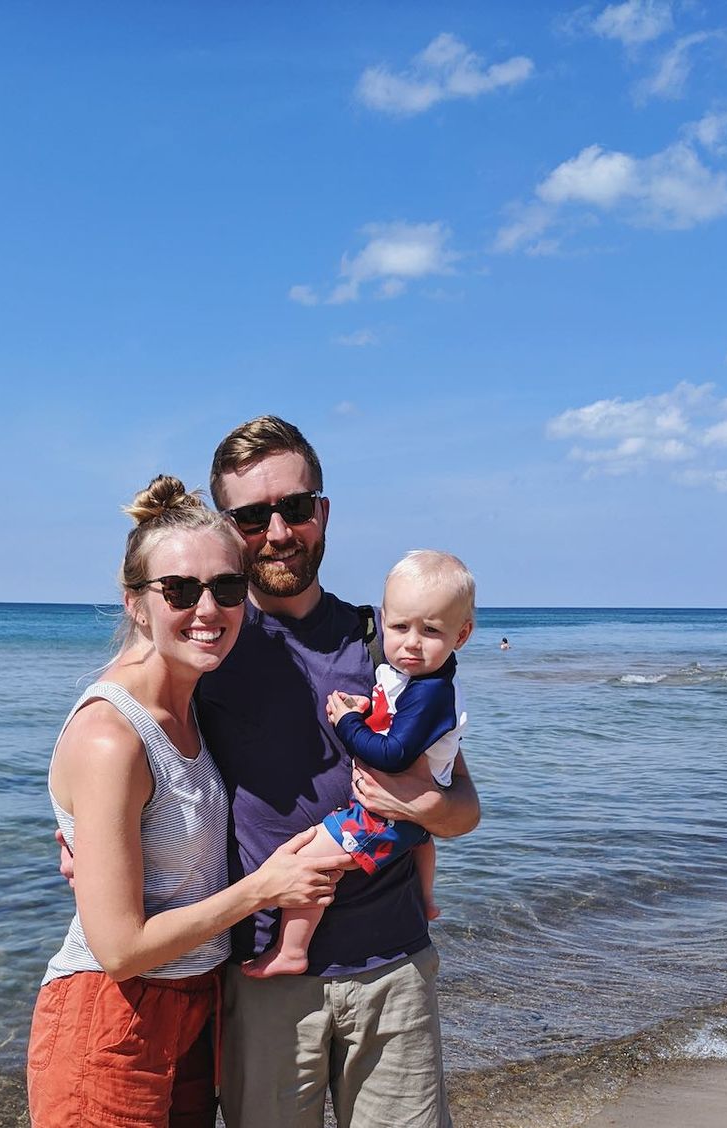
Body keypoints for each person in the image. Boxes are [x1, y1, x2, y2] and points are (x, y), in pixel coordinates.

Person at [27, 475, 349, 1128]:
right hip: (111, 1015)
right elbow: (120, 949)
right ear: (136, 603)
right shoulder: (112, 736)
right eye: (179, 589)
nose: (208, 609)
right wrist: (265, 888)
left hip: (195, 1009)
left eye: (226, 588)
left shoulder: (193, 703)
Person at [197, 416, 480, 1128]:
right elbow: (132, 737)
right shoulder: (207, 646)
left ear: (322, 512)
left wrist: (423, 805)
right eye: (252, 516)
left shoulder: (382, 642)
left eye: (294, 507)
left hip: (393, 969)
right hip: (263, 972)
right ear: (228, 528)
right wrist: (85, 828)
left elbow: (463, 806)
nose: (278, 532)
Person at [242, 549, 474, 978]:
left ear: (461, 635)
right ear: (383, 620)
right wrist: (367, 709)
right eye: (400, 627)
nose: (412, 642)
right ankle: (426, 901)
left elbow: (392, 753)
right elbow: (397, 716)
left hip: (383, 816)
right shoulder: (417, 675)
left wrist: (347, 723)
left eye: (431, 630)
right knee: (420, 840)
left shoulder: (430, 692)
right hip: (407, 821)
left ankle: (291, 949)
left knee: (311, 859)